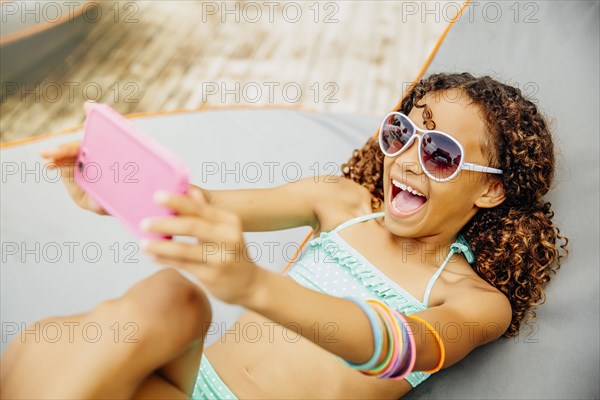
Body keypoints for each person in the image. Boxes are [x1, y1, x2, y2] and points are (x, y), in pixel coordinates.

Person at [1, 73, 567, 399]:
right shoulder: (341, 201)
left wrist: (253, 285)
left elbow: (398, 349)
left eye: (440, 154)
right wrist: (108, 185)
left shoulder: (473, 302)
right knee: (171, 295)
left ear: (490, 191)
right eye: (403, 132)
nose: (409, 160)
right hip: (186, 385)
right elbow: (199, 206)